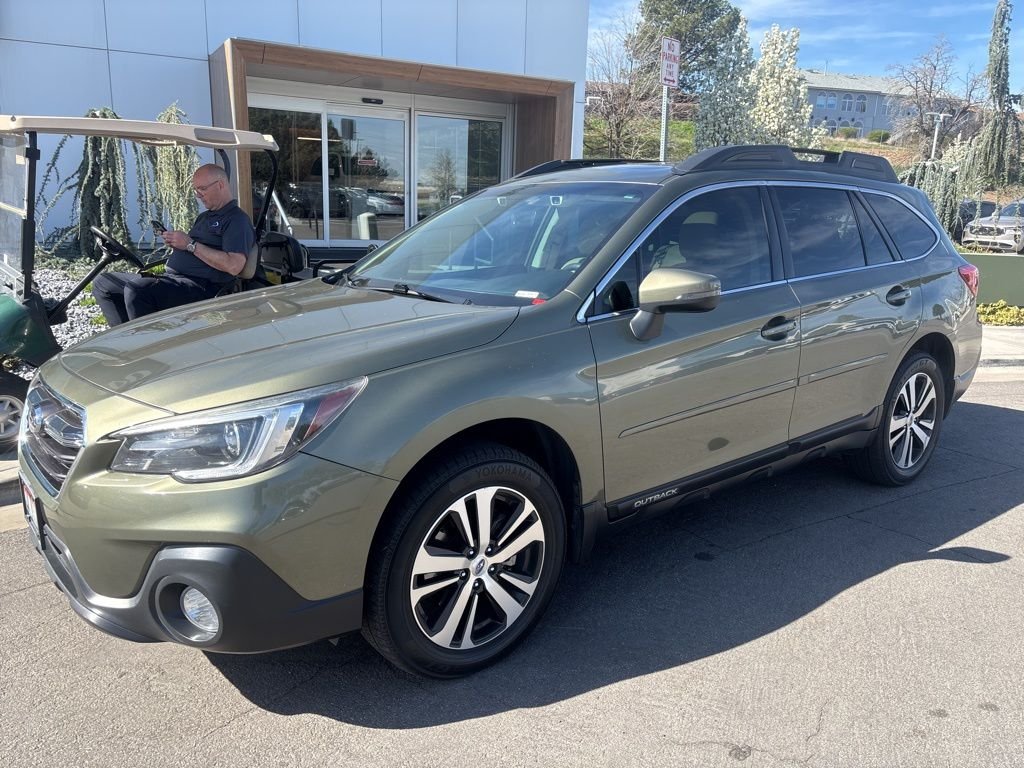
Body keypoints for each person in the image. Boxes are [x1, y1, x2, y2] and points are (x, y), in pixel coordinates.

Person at [92, 164, 255, 326]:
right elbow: (194, 248)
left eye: (202, 189)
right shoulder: (205, 217)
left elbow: (234, 266)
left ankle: (145, 340)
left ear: (220, 185)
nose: (198, 195)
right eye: (196, 190)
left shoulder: (236, 220)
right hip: (174, 280)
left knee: (137, 290)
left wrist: (190, 245)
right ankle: (124, 336)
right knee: (104, 282)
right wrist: (179, 245)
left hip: (202, 288)